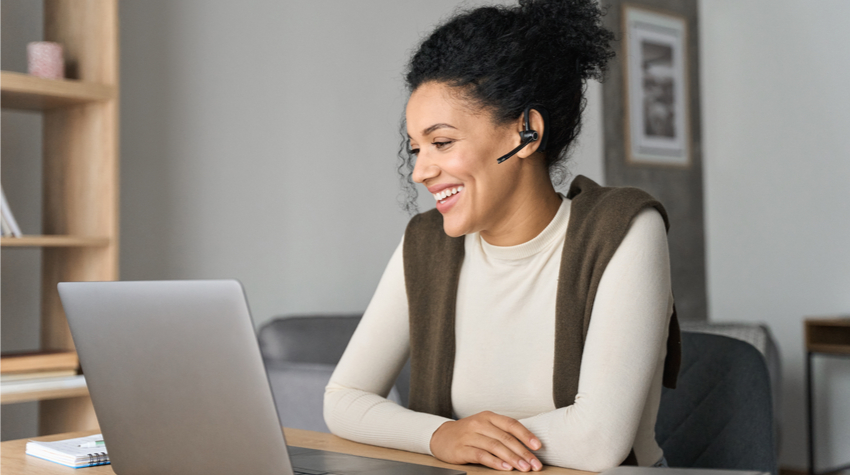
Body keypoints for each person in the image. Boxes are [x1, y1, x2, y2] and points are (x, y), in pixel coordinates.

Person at [323, 0, 680, 472]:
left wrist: (461, 440)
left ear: (525, 133)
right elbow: (343, 399)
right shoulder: (427, 243)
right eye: (416, 148)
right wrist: (439, 436)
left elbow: (597, 441)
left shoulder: (622, 228)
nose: (420, 171)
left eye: (442, 142)